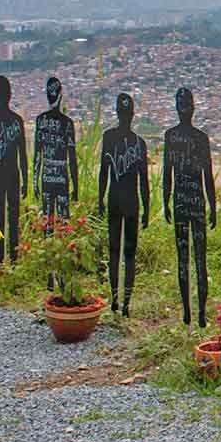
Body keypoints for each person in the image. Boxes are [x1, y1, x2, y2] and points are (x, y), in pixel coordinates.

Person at [163, 88, 217, 329]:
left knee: (190, 259)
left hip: (185, 201)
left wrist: (166, 201)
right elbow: (169, 173)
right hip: (192, 202)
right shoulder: (195, 137)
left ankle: (195, 312)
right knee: (193, 259)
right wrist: (212, 205)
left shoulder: (176, 136)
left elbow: (205, 175)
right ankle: (193, 312)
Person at [99, 93, 149, 316]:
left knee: (118, 251)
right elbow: (144, 181)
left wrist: (101, 199)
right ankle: (121, 301)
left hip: (117, 199)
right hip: (128, 201)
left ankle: (120, 300)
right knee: (125, 252)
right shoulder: (139, 142)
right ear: (132, 115)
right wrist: (146, 208)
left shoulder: (109, 137)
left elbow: (104, 172)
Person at [33, 77, 79, 228]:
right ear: (61, 95)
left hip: (47, 175)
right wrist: (75, 185)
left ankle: (49, 246)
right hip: (61, 176)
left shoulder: (41, 120)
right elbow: (72, 158)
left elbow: (37, 155)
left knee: (48, 219)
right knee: (63, 220)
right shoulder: (67, 123)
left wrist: (35, 181)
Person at [0, 76, 27, 266]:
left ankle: (0, 256)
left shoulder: (18, 121)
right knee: (13, 216)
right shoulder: (17, 120)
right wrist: (25, 178)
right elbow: (23, 154)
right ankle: (14, 257)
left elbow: (23, 153)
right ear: (10, 95)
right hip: (13, 175)